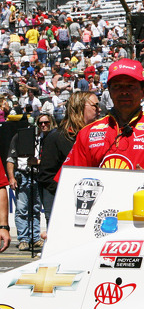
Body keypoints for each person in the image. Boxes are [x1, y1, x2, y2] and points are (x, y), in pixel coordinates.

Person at [60, 59, 144, 173]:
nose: (124, 92)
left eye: (131, 86)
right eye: (117, 86)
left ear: (143, 91)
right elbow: (70, 182)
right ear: (109, 91)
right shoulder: (87, 133)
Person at [37, 92, 100, 224]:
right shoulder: (57, 137)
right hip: (64, 208)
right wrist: (70, 192)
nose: (99, 110)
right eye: (95, 106)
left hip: (94, 204)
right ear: (80, 107)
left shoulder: (100, 137)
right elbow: (46, 176)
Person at [7, 112, 52, 250]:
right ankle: (24, 239)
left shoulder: (46, 138)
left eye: (46, 123)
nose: (43, 125)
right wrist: (11, 177)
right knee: (22, 209)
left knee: (36, 209)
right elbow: (10, 159)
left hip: (38, 176)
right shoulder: (20, 136)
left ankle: (34, 237)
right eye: (40, 123)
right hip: (23, 174)